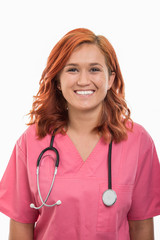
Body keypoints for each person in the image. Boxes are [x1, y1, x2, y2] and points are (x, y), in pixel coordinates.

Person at [0, 28, 160, 240]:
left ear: (110, 79)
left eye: (94, 69)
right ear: (57, 80)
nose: (83, 81)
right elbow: (21, 227)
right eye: (72, 70)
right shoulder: (31, 142)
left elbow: (141, 228)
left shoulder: (138, 142)